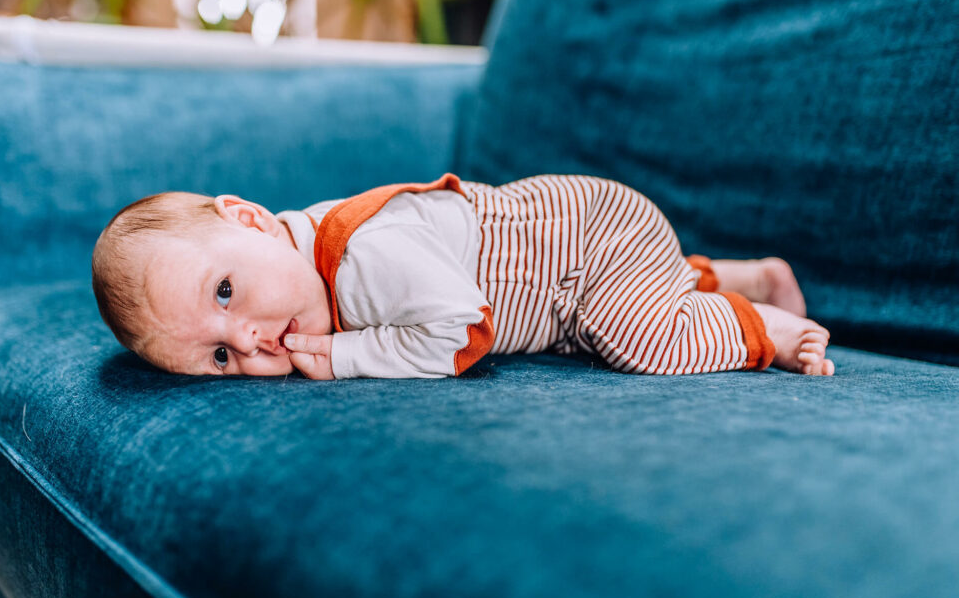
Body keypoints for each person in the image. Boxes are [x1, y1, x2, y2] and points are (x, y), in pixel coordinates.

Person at [91, 173, 834, 380]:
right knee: (592, 326)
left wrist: (350, 356)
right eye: (220, 356)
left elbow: (463, 332)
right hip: (576, 264)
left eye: (225, 292)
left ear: (251, 219)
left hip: (588, 243)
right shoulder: (298, 262)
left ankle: (758, 323)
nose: (251, 338)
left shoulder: (364, 256)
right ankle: (733, 275)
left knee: (637, 339)